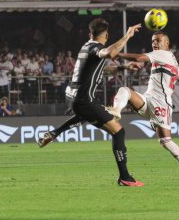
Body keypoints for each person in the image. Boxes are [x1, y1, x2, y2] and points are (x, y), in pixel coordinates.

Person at [38, 18, 144, 187]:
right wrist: (127, 35)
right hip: (83, 99)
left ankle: (54, 133)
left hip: (74, 97)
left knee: (87, 114)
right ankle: (125, 177)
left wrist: (124, 68)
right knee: (118, 132)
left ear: (90, 34)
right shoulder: (96, 48)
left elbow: (102, 68)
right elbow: (109, 53)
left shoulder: (86, 47)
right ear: (107, 35)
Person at [108, 32, 179, 181]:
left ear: (167, 43)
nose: (155, 43)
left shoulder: (162, 54)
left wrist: (118, 54)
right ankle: (116, 110)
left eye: (158, 41)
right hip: (147, 101)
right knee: (125, 90)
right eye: (153, 41)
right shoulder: (171, 60)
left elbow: (139, 58)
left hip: (162, 104)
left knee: (165, 141)